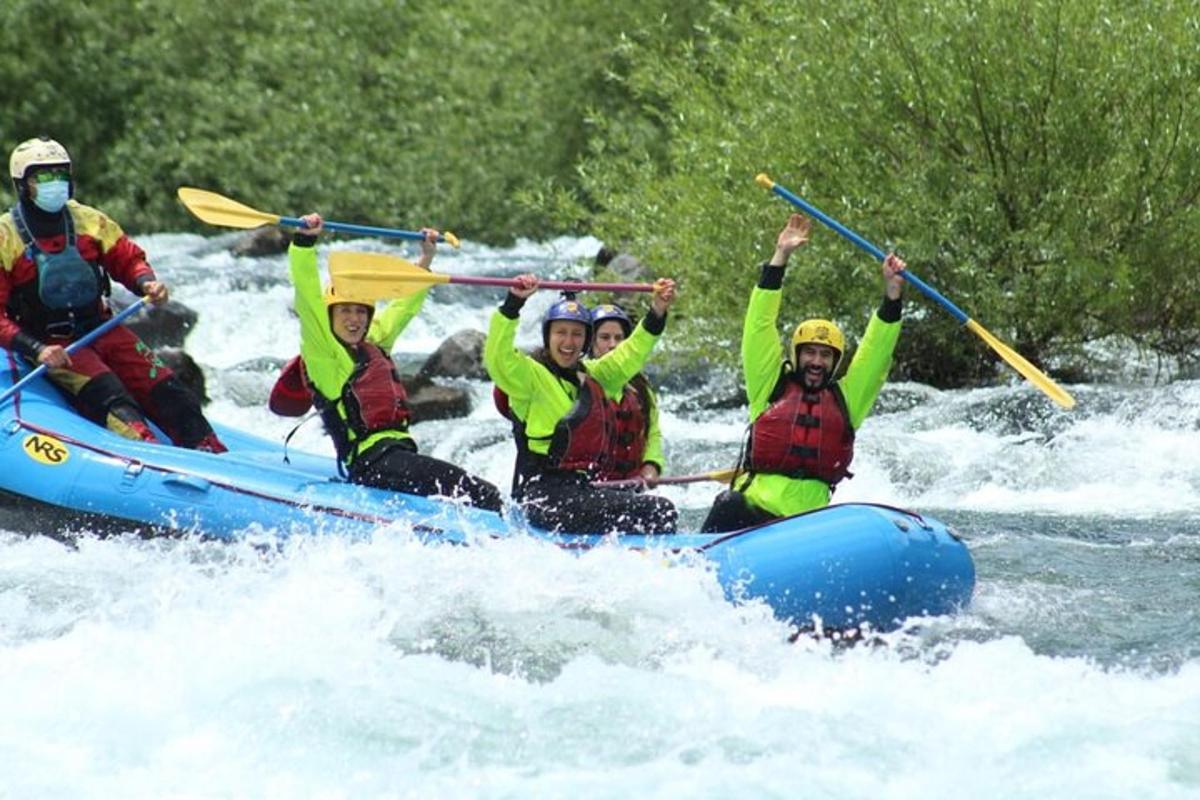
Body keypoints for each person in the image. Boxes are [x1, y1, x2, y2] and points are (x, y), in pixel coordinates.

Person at [0, 136, 225, 451]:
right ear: (23, 185)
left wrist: (146, 283)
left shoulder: (89, 221)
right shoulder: (5, 237)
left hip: (102, 328)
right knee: (116, 403)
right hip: (54, 344)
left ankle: (212, 457)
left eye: (61, 175)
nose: (56, 184)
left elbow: (127, 259)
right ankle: (152, 463)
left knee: (171, 391)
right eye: (45, 177)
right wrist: (36, 348)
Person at [276, 212, 502, 511]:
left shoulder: (375, 343)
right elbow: (307, 296)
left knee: (475, 494)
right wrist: (304, 243)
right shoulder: (324, 354)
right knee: (483, 494)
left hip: (397, 456)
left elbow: (403, 307)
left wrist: (425, 259)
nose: (354, 319)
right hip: (370, 463)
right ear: (330, 315)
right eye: (344, 311)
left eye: (360, 312)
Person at [700, 213, 906, 532]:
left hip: (807, 527)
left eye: (825, 355)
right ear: (797, 354)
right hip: (753, 514)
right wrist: (779, 258)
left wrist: (892, 295)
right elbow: (758, 327)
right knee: (728, 504)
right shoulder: (770, 385)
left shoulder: (847, 399)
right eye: (809, 352)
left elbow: (876, 352)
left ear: (834, 362)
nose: (816, 361)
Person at [484, 275, 678, 534]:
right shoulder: (529, 376)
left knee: (653, 509)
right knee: (659, 510)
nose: (568, 342)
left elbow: (631, 353)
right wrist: (513, 304)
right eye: (561, 333)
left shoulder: (593, 375)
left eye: (577, 334)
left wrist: (657, 311)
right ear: (548, 336)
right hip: (542, 496)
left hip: (579, 489)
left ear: (586, 341)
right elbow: (498, 356)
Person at [588, 303, 664, 485]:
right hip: (591, 487)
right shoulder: (581, 379)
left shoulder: (641, 388)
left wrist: (652, 465)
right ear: (590, 342)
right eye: (604, 338)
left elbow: (652, 433)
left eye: (619, 338)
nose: (613, 345)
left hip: (632, 484)